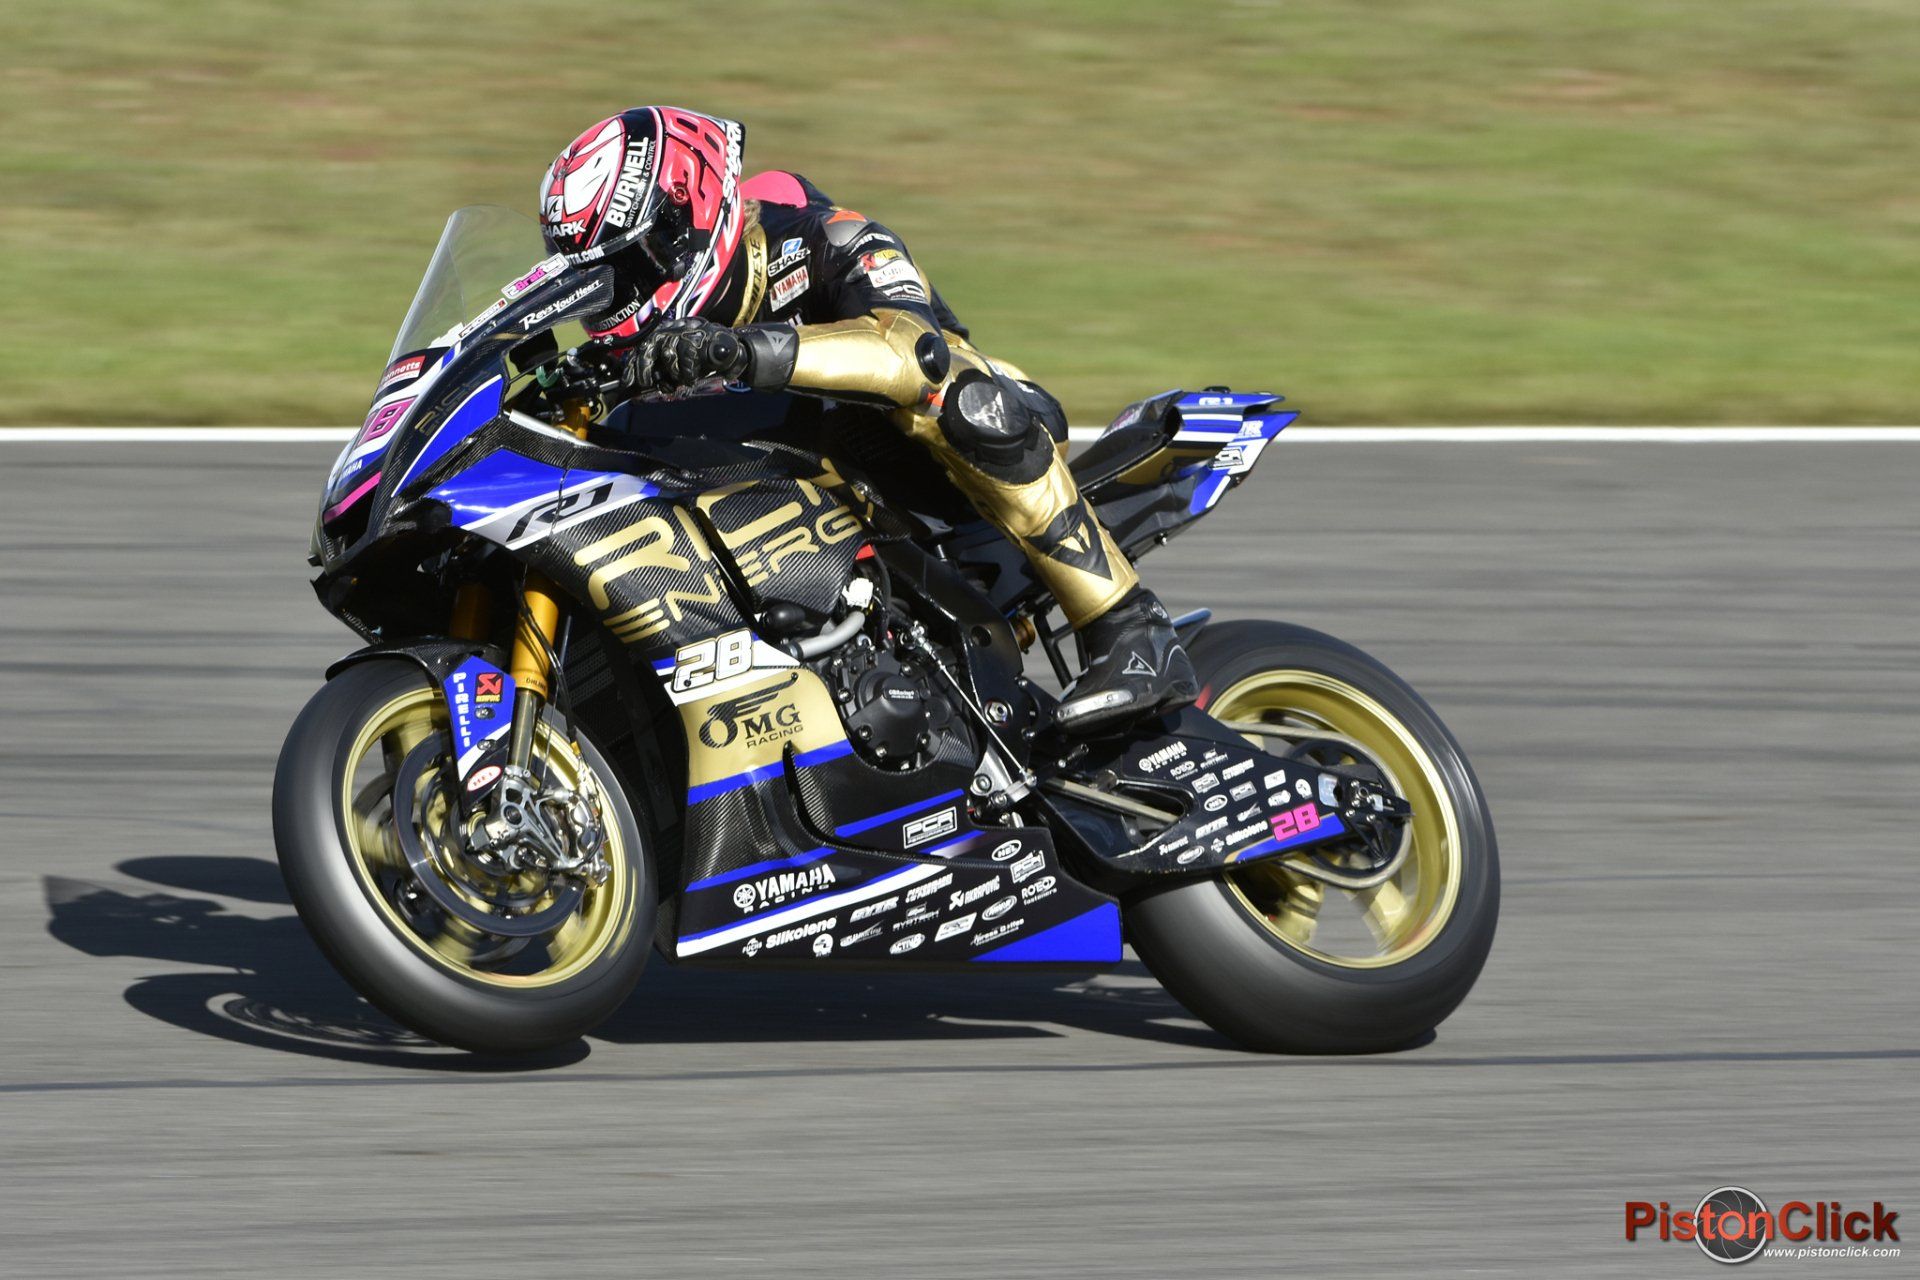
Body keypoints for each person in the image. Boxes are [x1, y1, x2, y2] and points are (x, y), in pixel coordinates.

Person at [536, 106, 1195, 733]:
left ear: (686, 218)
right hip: (811, 518)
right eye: (594, 279)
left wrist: (739, 351)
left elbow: (914, 353)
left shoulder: (828, 238)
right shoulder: (638, 343)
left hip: (950, 459)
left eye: (627, 265)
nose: (614, 294)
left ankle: (1129, 627)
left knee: (947, 384)